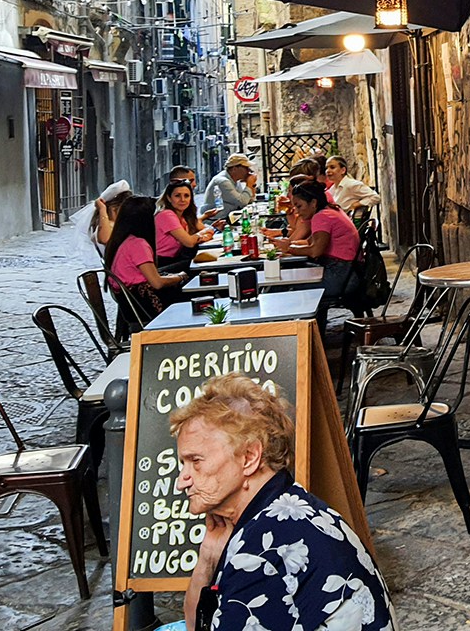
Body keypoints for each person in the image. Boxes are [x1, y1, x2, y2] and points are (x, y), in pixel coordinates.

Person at [173, 374, 394, 631]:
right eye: (183, 464)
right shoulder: (294, 505)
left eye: (196, 461)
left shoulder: (259, 555)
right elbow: (198, 625)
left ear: (249, 457)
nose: (182, 481)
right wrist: (208, 559)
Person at [104, 195, 189, 334]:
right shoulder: (138, 245)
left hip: (133, 305)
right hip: (144, 308)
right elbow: (157, 282)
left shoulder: (121, 240)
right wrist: (180, 277)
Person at [285, 180, 360, 331]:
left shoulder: (322, 217)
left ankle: (302, 333)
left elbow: (315, 251)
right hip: (350, 272)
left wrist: (289, 249)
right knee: (293, 273)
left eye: (299, 206)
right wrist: (289, 246)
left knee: (289, 287)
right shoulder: (331, 211)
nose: (297, 211)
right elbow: (310, 243)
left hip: (340, 277)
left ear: (313, 202)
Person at [155, 180, 214, 272]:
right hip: (162, 263)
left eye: (186, 196)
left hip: (177, 259)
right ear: (169, 198)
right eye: (177, 196)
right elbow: (189, 242)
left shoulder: (184, 216)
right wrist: (201, 234)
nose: (182, 200)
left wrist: (202, 235)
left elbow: (209, 230)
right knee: (199, 265)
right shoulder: (166, 215)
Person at [204, 154, 257, 222]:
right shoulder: (223, 181)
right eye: (246, 168)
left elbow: (249, 200)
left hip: (228, 218)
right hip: (216, 221)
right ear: (234, 168)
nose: (249, 171)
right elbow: (242, 202)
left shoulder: (235, 181)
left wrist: (252, 185)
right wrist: (249, 184)